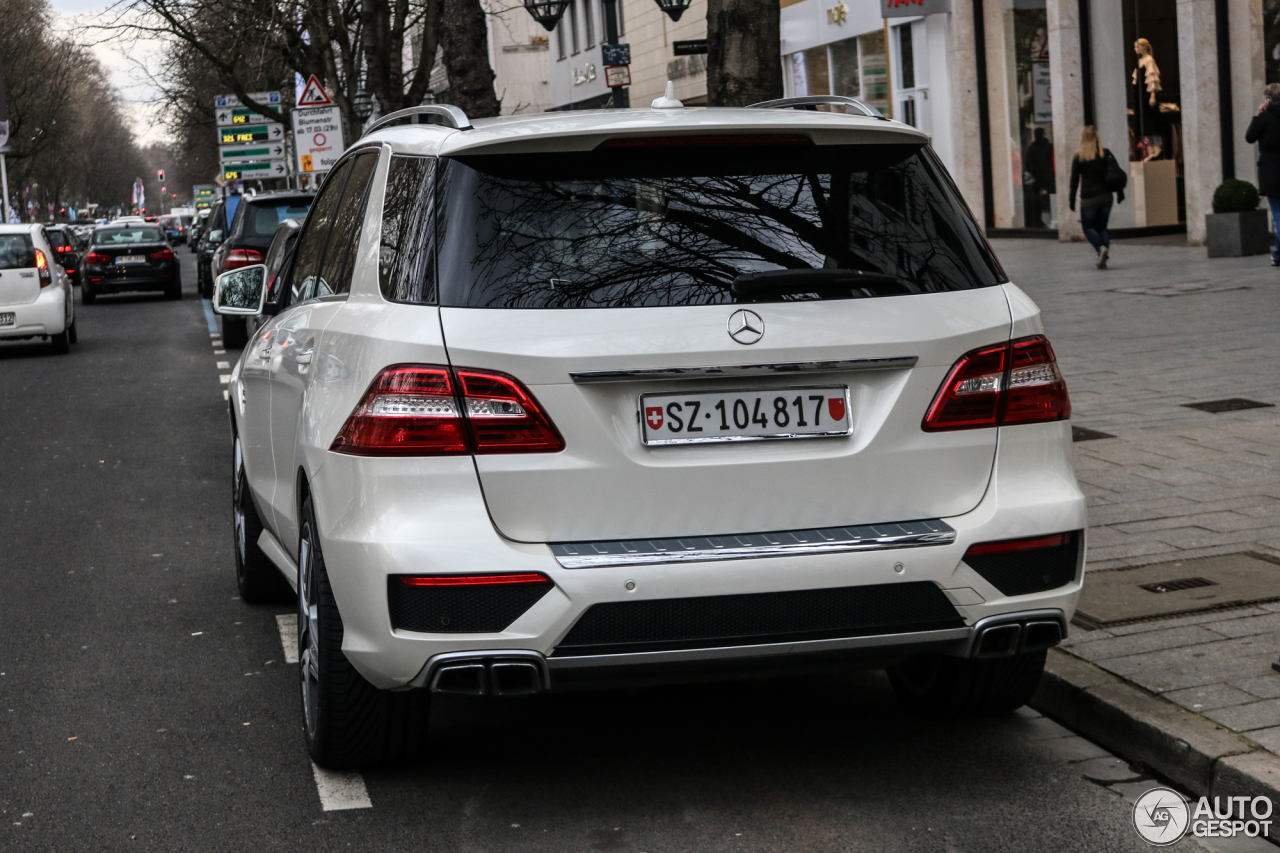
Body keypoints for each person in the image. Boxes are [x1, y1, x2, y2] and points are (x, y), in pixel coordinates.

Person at [1069, 126, 1124, 269]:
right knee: (1102, 227)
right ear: (1096, 137)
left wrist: (1071, 199)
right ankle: (1103, 254)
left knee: (1088, 228)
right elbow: (1115, 174)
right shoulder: (1105, 153)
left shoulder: (1079, 156)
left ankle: (1101, 248)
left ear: (1082, 138)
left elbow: (1074, 180)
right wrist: (1120, 193)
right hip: (1106, 197)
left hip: (1089, 198)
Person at [1245, 82, 1280, 267]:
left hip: (1271, 170)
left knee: (1278, 214)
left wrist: (1257, 116)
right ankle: (1277, 254)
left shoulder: (1264, 118)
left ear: (1267, 99)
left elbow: (1249, 137)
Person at [1024, 127, 1055, 227]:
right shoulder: (1050, 146)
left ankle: (1039, 220)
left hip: (1038, 179)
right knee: (1051, 200)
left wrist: (1033, 174)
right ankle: (1053, 220)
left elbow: (1028, 164)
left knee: (1038, 201)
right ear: (1044, 134)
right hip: (1049, 178)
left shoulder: (1032, 148)